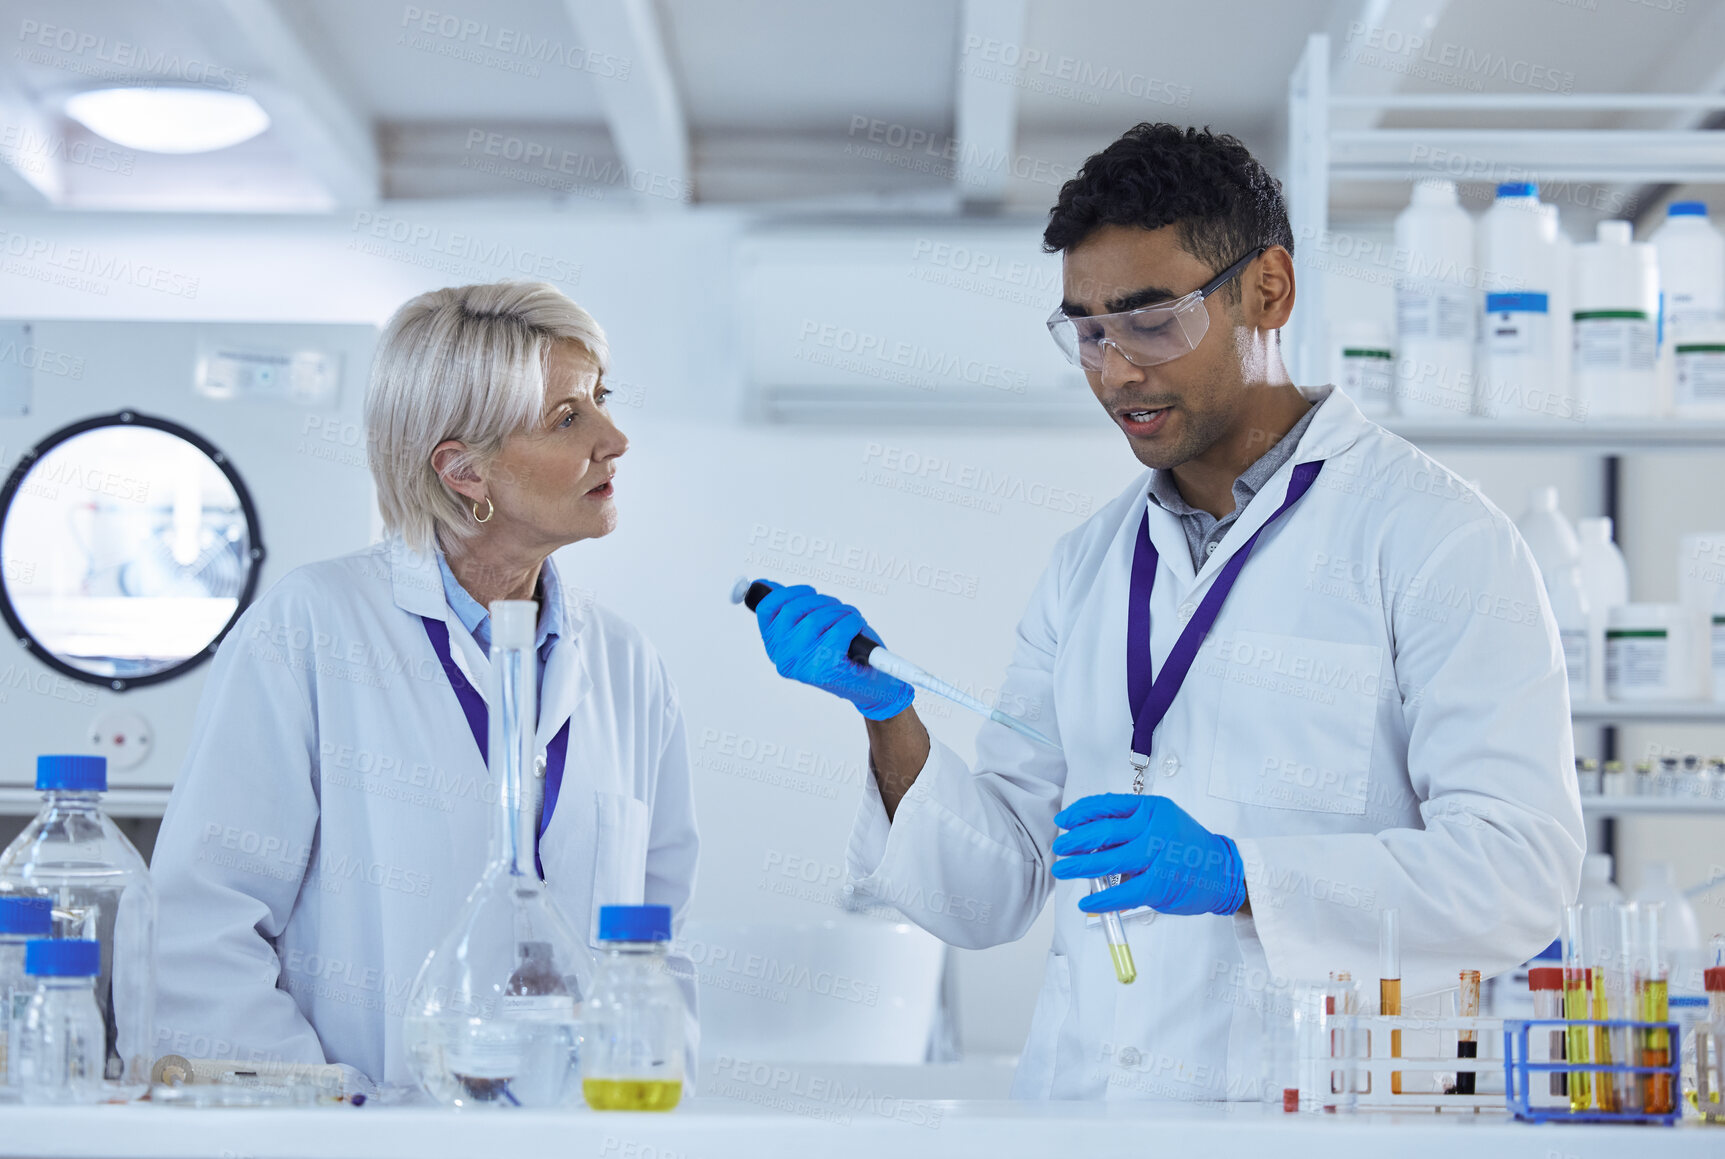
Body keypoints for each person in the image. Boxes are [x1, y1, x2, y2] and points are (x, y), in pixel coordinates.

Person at [747, 124, 1583, 1101]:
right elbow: (994, 888)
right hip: (1090, 1114)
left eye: (1152, 321)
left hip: (1316, 1118)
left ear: (1267, 288)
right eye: (1089, 332)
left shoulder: (1436, 539)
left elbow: (1519, 874)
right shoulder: (1088, 566)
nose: (1115, 372)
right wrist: (889, 715)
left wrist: (1244, 874)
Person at [150, 281, 698, 1087]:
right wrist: (340, 1120)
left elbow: (662, 934)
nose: (614, 438)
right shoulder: (310, 629)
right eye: (568, 417)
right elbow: (200, 933)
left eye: (602, 400)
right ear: (464, 470)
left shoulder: (624, 662)